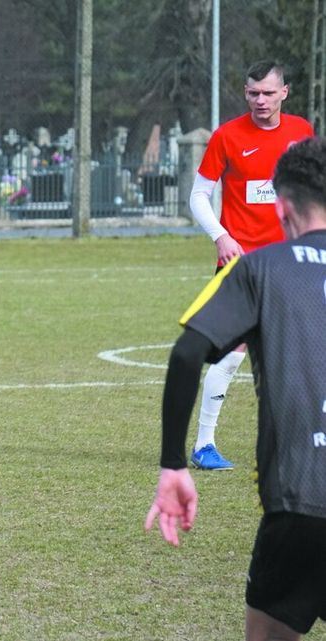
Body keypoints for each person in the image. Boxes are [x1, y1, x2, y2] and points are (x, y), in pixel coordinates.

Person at [145, 136, 326, 640]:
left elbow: (186, 355)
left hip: (300, 504)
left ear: (283, 206)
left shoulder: (262, 269)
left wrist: (173, 464)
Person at [185, 60, 314, 470]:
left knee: (296, 351)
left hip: (290, 259)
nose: (261, 100)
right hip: (241, 262)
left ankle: (300, 442)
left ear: (284, 93)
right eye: (254, 93)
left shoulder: (302, 134)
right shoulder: (227, 136)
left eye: (268, 93)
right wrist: (220, 236)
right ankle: (204, 445)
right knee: (232, 351)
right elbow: (198, 196)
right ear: (245, 94)